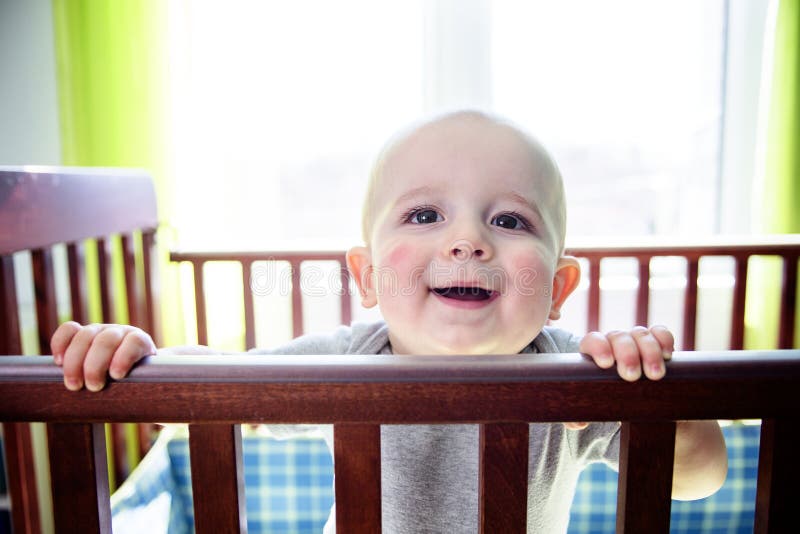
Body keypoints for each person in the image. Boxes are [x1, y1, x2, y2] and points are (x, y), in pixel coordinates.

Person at [51, 110, 727, 533]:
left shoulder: (576, 376)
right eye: (425, 215)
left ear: (559, 287)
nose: (467, 241)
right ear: (368, 277)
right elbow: (230, 388)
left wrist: (657, 401)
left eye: (509, 220)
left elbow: (701, 479)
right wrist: (142, 359)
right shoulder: (351, 358)